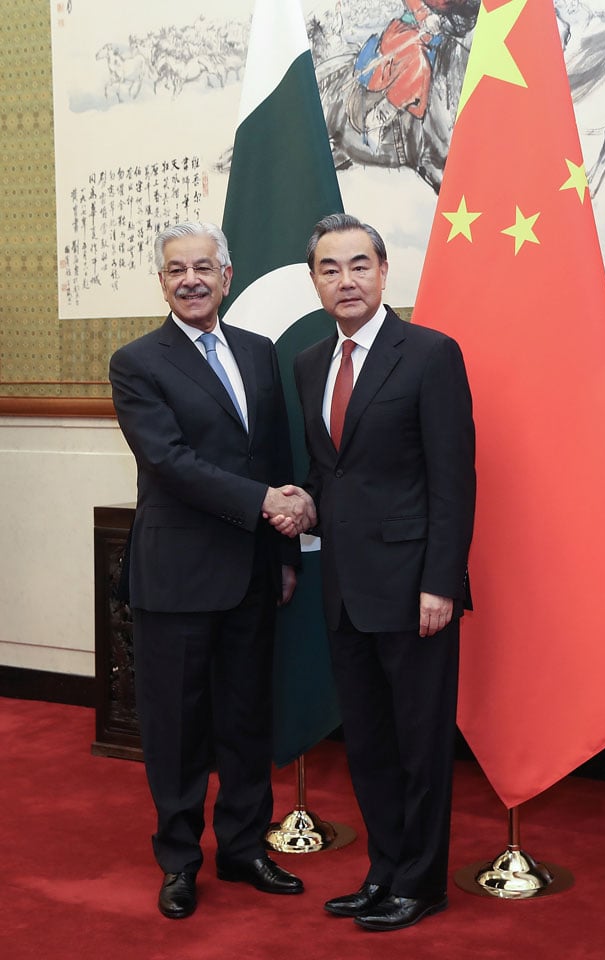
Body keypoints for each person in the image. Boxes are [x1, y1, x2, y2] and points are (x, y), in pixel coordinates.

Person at [272, 213, 475, 932]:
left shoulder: (429, 354)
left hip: (416, 591)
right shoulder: (306, 365)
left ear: (384, 273)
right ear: (315, 282)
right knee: (369, 743)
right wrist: (304, 506)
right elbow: (336, 478)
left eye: (359, 265)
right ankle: (385, 870)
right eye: (330, 268)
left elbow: (454, 481)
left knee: (420, 744)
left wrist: (441, 583)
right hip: (345, 593)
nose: (346, 280)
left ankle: (422, 883)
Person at [109, 221, 315, 920]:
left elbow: (275, 454)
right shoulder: (136, 362)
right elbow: (169, 462)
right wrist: (267, 504)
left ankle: (244, 848)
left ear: (227, 276)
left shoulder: (259, 353)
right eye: (176, 270)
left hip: (253, 571)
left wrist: (284, 551)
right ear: (162, 283)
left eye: (203, 266)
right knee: (176, 728)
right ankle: (178, 860)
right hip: (177, 576)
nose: (190, 279)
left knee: (246, 717)